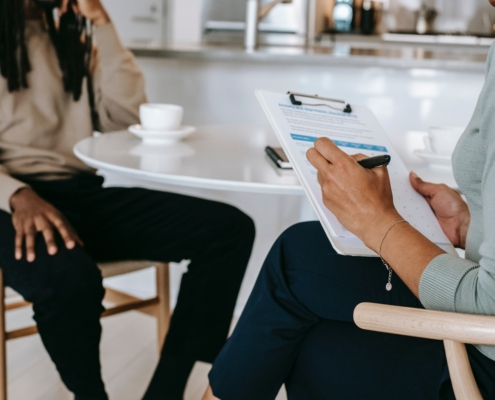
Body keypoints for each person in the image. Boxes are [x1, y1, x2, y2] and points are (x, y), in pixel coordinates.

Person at [202, 3, 495, 399]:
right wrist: (471, 224)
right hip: (477, 338)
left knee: (299, 263)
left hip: (482, 361)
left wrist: (379, 223)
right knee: (306, 280)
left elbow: (487, 307)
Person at [0, 1, 255, 399]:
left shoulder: (71, 35)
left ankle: (167, 389)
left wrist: (102, 23)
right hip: (9, 203)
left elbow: (124, 115)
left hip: (78, 191)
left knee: (229, 230)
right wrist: (16, 194)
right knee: (70, 279)